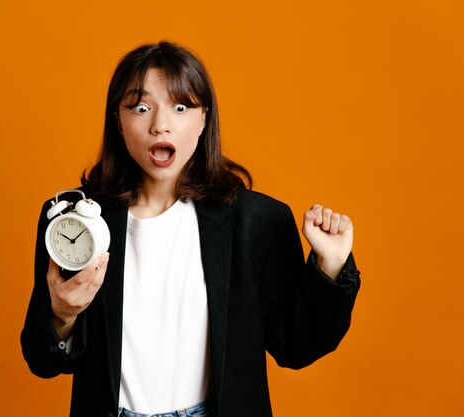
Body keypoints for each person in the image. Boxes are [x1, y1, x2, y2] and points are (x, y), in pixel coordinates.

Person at [21, 41, 360, 417]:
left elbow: (296, 347)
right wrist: (62, 313)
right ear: (118, 120)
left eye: (181, 107)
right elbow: (43, 361)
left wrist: (330, 268)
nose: (160, 124)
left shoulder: (257, 222)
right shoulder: (74, 224)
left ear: (203, 119)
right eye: (140, 107)